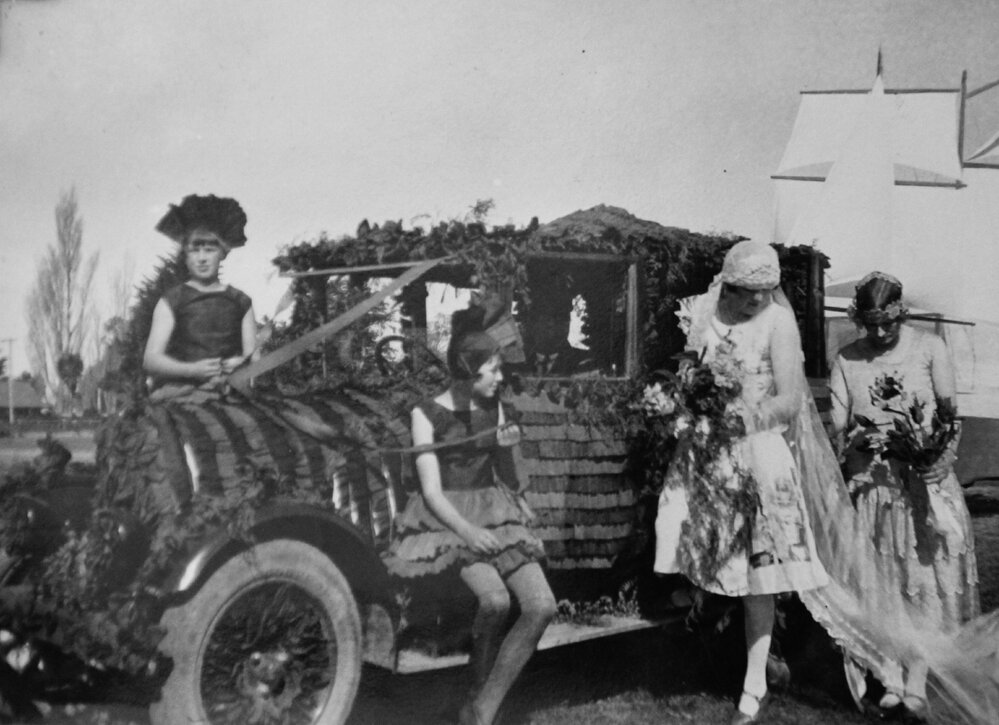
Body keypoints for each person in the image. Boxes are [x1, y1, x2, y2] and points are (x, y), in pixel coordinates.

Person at [654, 240, 829, 724]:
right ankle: (703, 627)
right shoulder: (706, 311)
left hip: (756, 451)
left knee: (760, 573)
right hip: (706, 452)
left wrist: (744, 420)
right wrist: (687, 402)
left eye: (766, 291)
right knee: (706, 553)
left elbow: (790, 398)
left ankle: (754, 682)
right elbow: (691, 372)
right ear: (728, 284)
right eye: (748, 292)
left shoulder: (778, 321)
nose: (757, 301)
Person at [383, 310, 556, 725]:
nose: (499, 378)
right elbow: (430, 491)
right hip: (447, 519)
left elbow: (508, 478)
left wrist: (509, 447)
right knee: (494, 600)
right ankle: (478, 698)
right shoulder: (424, 413)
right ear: (467, 372)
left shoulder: (493, 406)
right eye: (493, 370)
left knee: (542, 606)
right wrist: (468, 532)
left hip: (494, 509)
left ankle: (482, 707)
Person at [828, 271, 979, 720]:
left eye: (886, 325)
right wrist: (858, 437)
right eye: (869, 326)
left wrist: (941, 459)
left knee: (921, 581)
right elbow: (839, 428)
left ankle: (916, 679)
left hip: (921, 488)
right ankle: (888, 676)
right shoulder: (846, 359)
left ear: (900, 316)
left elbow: (950, 417)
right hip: (873, 491)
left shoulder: (930, 348)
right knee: (882, 585)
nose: (877, 334)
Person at [143, 194, 257, 392]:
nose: (202, 258)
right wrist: (191, 370)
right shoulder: (172, 300)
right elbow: (151, 360)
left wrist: (240, 364)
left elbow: (254, 357)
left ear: (223, 253)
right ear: (185, 256)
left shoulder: (241, 301)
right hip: (181, 393)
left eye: (210, 249)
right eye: (195, 250)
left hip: (229, 392)